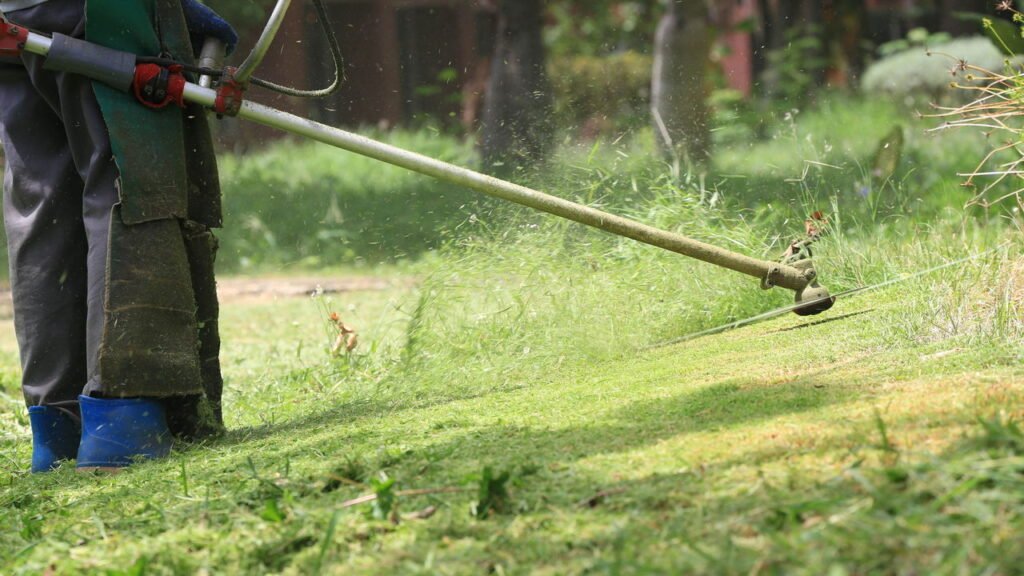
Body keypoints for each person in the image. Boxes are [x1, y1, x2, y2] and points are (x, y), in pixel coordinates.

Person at [0, 0, 237, 472]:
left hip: (15, 14)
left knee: (46, 199)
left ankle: (58, 429)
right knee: (129, 179)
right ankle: (125, 417)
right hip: (93, 11)